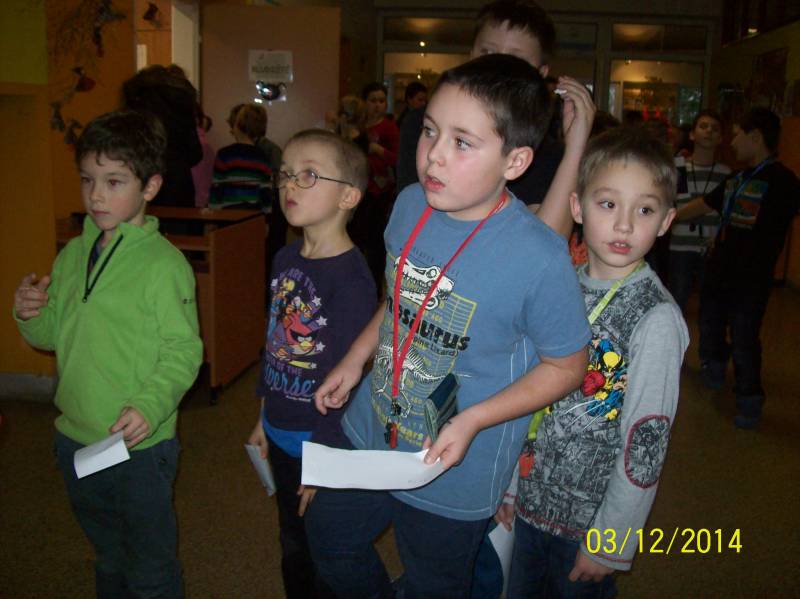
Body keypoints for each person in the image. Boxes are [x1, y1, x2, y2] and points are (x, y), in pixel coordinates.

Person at [305, 54, 591, 599]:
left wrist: (474, 420)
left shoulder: (538, 256)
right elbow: (398, 301)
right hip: (373, 428)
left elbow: (567, 366)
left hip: (455, 462)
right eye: (431, 131)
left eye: (463, 142)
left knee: (434, 583)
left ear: (515, 161)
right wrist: (355, 359)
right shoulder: (409, 204)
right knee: (329, 538)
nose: (434, 153)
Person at [13, 110, 203, 598]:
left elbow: (184, 351)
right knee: (109, 554)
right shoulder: (73, 254)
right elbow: (52, 335)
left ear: (150, 186)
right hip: (75, 438)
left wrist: (150, 405)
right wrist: (31, 314)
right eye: (87, 180)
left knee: (151, 567)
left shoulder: (164, 265)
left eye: (114, 181)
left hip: (138, 448)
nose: (96, 195)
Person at [505, 126, 689, 598]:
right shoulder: (560, 285)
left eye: (644, 210)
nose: (624, 225)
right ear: (577, 207)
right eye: (607, 204)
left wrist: (612, 541)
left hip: (590, 527)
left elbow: (645, 441)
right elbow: (529, 390)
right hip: (529, 504)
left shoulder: (656, 318)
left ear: (666, 221)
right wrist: (508, 485)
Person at [247, 129, 377, 598]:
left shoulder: (352, 279)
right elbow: (274, 342)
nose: (289, 186)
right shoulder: (285, 256)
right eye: (285, 174)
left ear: (348, 196)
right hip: (281, 428)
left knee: (323, 550)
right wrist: (262, 413)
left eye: (308, 175)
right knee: (291, 540)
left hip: (320, 442)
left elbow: (352, 381)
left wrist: (325, 462)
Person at [677, 107, 800, 428]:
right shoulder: (737, 178)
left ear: (755, 137)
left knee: (745, 337)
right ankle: (714, 366)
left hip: (752, 279)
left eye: (737, 135)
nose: (732, 142)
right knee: (711, 322)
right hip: (719, 270)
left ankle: (749, 399)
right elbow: (704, 205)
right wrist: (664, 219)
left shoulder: (782, 181)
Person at [396, 0, 564, 215]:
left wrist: (575, 147)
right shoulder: (420, 123)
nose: (496, 67)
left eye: (515, 60)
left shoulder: (544, 150)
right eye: (487, 52)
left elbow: (543, 231)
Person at [668, 110, 731, 311]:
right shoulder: (679, 168)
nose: (709, 131)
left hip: (711, 247)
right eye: (703, 126)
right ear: (692, 134)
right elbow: (671, 203)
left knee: (711, 305)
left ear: (720, 138)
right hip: (681, 246)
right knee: (676, 301)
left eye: (715, 129)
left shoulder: (727, 173)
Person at [122, 65, 202, 207]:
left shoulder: (136, 99)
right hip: (178, 183)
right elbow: (195, 154)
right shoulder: (182, 102)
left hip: (141, 177)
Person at [352, 81, 400, 292]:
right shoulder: (358, 125)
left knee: (375, 243)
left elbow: (397, 158)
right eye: (373, 100)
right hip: (358, 188)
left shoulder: (389, 127)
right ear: (364, 102)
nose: (378, 105)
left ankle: (374, 288)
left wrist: (377, 150)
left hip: (379, 192)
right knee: (356, 237)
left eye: (381, 101)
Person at [210, 103, 273, 210]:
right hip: (253, 214)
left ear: (238, 126)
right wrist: (266, 215)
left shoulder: (224, 154)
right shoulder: (263, 156)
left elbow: (216, 188)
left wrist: (214, 211)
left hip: (228, 214)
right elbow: (266, 191)